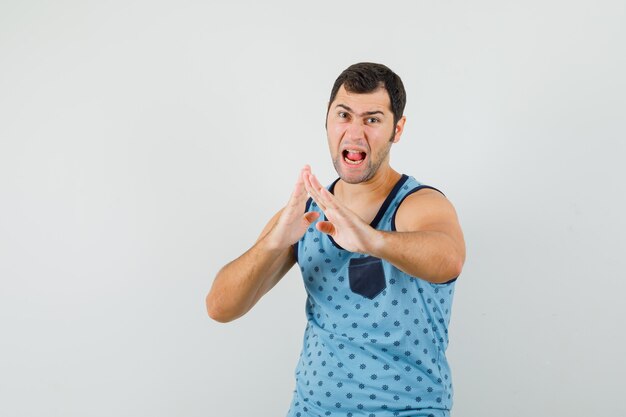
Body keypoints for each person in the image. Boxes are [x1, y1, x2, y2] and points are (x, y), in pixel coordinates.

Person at [206, 62, 466, 417]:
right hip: (311, 408)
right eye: (344, 115)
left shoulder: (418, 204)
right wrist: (271, 243)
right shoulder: (306, 211)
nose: (355, 132)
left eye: (372, 119)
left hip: (408, 410)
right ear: (328, 121)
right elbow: (220, 308)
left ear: (397, 129)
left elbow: (449, 258)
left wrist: (372, 240)